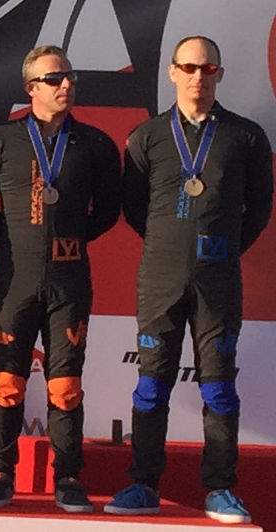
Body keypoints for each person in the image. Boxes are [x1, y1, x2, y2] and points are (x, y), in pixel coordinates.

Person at [103, 36, 272, 524]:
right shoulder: (147, 136)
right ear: (173, 72)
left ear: (219, 74)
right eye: (190, 67)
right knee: (151, 384)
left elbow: (260, 208)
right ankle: (143, 484)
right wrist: (170, 246)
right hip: (160, 278)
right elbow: (134, 207)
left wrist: (222, 249)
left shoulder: (246, 136)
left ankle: (220, 488)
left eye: (208, 68)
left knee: (218, 388)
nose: (199, 76)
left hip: (218, 282)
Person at [0, 45, 121, 510]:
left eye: (70, 77)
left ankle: (69, 476)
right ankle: (0, 472)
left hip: (69, 281)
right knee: (7, 380)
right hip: (15, 279)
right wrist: (17, 240)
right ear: (30, 87)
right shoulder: (0, 140)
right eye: (55, 79)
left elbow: (108, 210)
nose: (66, 85)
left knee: (65, 385)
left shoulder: (95, 144)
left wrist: (69, 239)